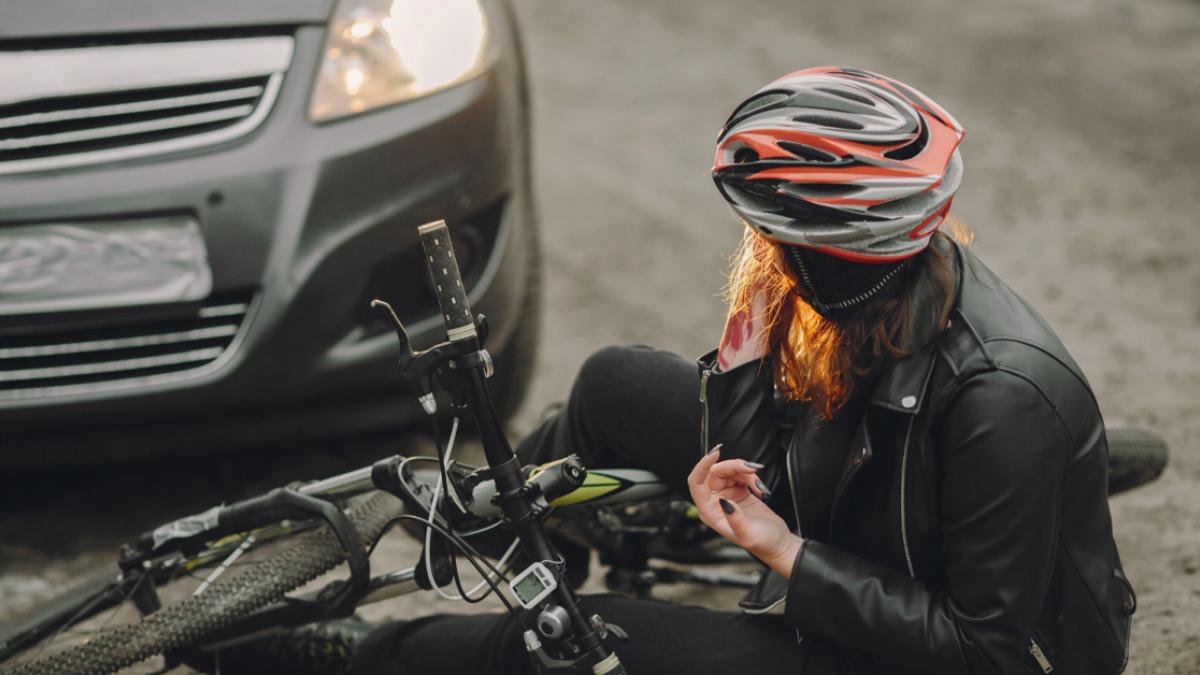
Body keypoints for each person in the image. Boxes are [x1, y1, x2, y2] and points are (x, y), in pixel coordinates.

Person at [211, 67, 1136, 675]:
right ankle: (501, 550)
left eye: (774, 236)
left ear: (840, 246)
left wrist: (786, 554)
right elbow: (783, 427)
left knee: (579, 638)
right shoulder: (882, 293)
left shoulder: (1002, 399)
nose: (760, 249)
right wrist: (743, 353)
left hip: (909, 653)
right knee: (613, 381)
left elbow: (990, 651)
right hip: (855, 516)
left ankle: (364, 655)